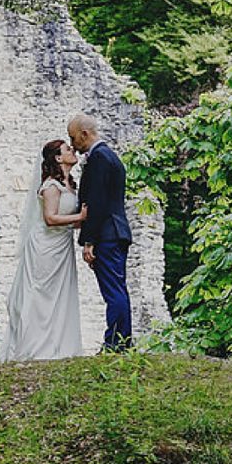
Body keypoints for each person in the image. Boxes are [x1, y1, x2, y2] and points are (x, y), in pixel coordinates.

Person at [0, 139, 87, 362]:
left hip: (62, 246)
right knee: (41, 294)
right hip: (45, 247)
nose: (73, 150)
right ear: (58, 158)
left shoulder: (69, 185)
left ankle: (59, 345)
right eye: (68, 149)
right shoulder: (50, 186)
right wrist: (81, 217)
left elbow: (67, 220)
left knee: (60, 295)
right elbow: (50, 218)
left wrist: (84, 223)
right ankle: (36, 347)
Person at [68, 113, 133, 352]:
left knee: (113, 291)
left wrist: (89, 240)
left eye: (73, 138)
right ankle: (120, 341)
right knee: (116, 289)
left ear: (85, 134)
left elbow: (97, 202)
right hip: (114, 232)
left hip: (107, 234)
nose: (73, 144)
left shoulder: (99, 159)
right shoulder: (107, 156)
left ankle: (116, 344)